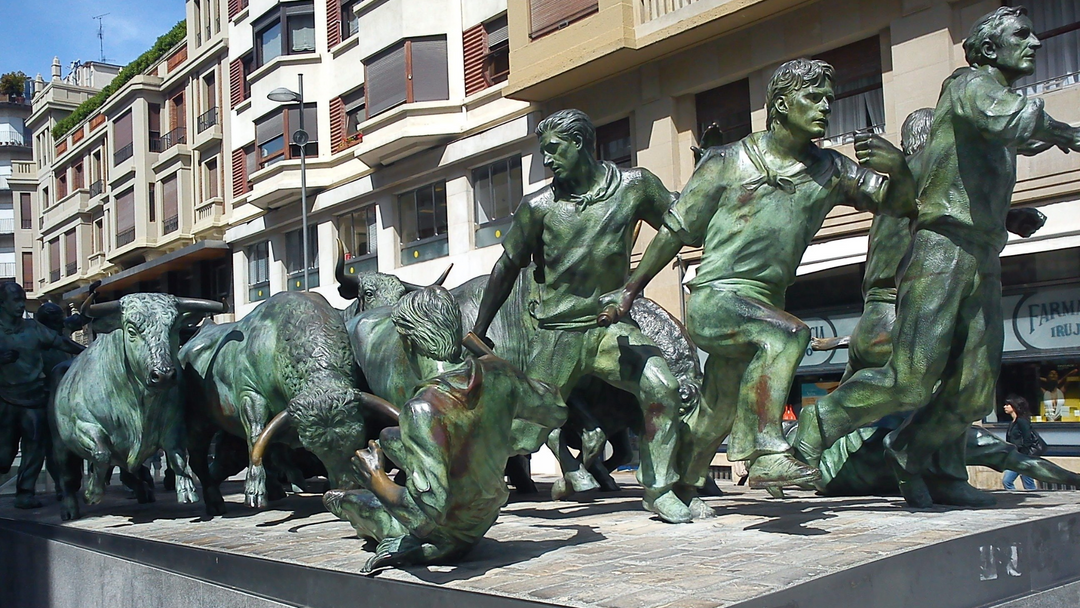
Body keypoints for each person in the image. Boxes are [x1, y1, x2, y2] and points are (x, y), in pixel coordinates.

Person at [792, 6, 1080, 508]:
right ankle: (819, 423)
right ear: (989, 49)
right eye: (1022, 35)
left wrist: (1012, 216)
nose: (1035, 43)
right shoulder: (968, 86)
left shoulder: (989, 119)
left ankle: (926, 461)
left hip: (982, 255)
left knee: (972, 389)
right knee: (912, 378)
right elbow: (1011, 119)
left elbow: (1016, 139)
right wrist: (1068, 133)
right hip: (942, 250)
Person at [598, 58, 916, 509]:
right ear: (782, 105)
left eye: (830, 98)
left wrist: (899, 170)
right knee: (789, 334)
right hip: (717, 299)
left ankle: (675, 485)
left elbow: (897, 205)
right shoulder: (729, 162)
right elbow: (675, 229)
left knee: (715, 414)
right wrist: (631, 290)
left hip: (763, 306)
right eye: (814, 98)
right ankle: (768, 450)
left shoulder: (832, 170)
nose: (826, 107)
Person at [467, 109, 693, 523]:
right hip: (557, 335)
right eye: (543, 152)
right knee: (523, 430)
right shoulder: (538, 207)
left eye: (554, 150)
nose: (547, 160)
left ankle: (659, 488)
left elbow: (680, 226)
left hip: (612, 329)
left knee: (662, 388)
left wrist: (633, 286)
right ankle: (467, 488)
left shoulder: (634, 186)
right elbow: (506, 267)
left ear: (582, 144)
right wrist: (478, 331)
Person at [0, 283, 85, 508]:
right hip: (5, 398)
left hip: (35, 396)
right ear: (2, 303)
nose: (20, 305)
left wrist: (89, 354)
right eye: (15, 300)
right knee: (3, 455)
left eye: (22, 299)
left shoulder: (33, 328)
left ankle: (25, 493)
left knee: (35, 446)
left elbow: (60, 340)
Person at [1002, 396, 1037, 491]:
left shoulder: (1022, 421)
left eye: (1007, 405)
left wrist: (1023, 455)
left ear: (1014, 407)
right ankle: (1028, 497)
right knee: (1027, 480)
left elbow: (1027, 438)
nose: (1004, 407)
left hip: (1021, 457)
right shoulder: (1013, 422)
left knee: (1008, 481)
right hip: (1015, 456)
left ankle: (1025, 498)